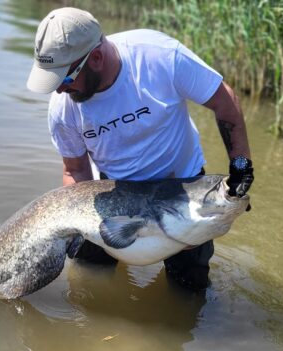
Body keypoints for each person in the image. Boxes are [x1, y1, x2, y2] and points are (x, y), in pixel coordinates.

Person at [25, 7, 254, 290]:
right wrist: (83, 229)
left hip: (182, 188)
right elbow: (75, 170)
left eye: (65, 79)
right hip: (110, 192)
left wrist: (241, 168)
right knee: (87, 284)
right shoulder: (62, 108)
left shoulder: (160, 57)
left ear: (95, 58)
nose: (58, 90)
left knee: (189, 293)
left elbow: (225, 103)